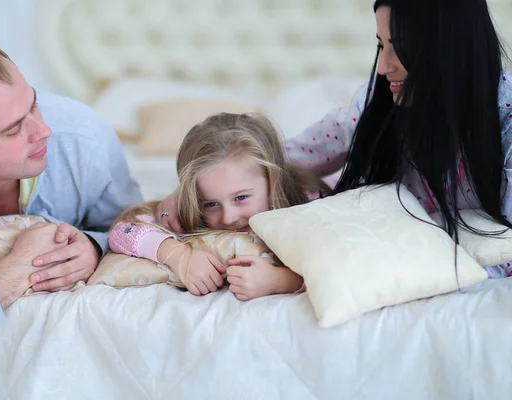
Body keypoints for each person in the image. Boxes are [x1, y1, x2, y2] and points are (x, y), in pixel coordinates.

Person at [157, 0, 512, 277]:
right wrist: (199, 182)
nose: (384, 66)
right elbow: (273, 160)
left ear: (447, 48)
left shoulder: (506, 123)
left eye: (398, 47)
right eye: (381, 45)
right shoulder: (379, 99)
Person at [0, 36, 143, 370]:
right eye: (13, 129)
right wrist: (17, 269)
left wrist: (96, 246)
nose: (44, 130)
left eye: (33, 104)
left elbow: (140, 228)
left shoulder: (83, 140)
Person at [108, 113, 331, 300]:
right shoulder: (184, 212)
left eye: (241, 198)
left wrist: (281, 281)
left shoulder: (309, 203)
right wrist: (178, 256)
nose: (228, 218)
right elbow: (122, 232)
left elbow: (336, 265)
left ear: (274, 181)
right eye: (211, 203)